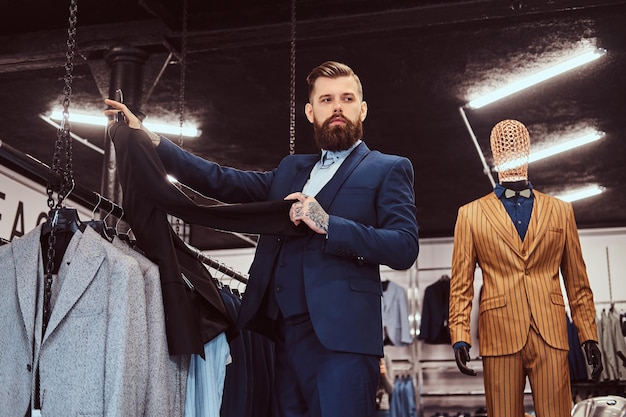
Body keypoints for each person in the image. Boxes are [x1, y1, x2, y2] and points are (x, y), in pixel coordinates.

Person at [105, 61, 419, 417]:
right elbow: (221, 180)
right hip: (282, 336)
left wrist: (330, 224)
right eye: (326, 99)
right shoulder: (291, 169)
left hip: (342, 343)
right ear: (310, 111)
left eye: (347, 99)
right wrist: (153, 141)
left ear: (361, 109)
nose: (337, 107)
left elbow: (404, 246)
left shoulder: (388, 168)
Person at [448, 119, 603, 417]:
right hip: (499, 333)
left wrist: (589, 334)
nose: (512, 149)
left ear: (529, 150)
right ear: (494, 152)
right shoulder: (470, 215)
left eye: (518, 143)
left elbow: (577, 281)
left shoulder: (561, 211)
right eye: (504, 144)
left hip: (551, 331)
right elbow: (461, 285)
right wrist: (460, 334)